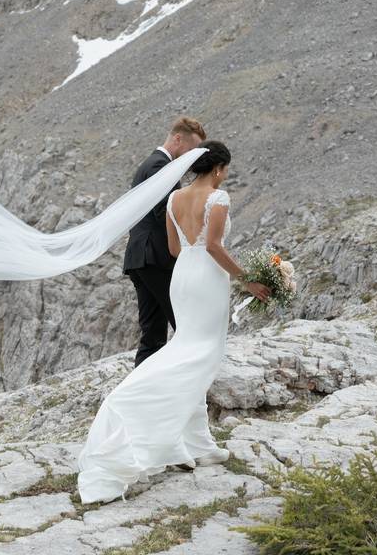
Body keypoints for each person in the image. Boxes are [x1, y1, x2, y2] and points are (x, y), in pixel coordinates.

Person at [77, 140, 271, 504]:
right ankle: (135, 405)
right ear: (218, 169)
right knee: (201, 355)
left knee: (188, 348)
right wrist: (249, 279)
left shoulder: (174, 198)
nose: (226, 175)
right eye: (226, 169)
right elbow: (213, 245)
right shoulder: (220, 197)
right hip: (208, 280)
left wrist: (196, 256)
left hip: (183, 276)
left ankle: (197, 444)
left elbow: (174, 249)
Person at [122, 117, 206, 367]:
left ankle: (140, 392)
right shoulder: (161, 166)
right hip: (155, 256)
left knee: (153, 333)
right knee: (184, 321)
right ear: (178, 139)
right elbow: (166, 214)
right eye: (191, 150)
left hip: (141, 257)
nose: (191, 158)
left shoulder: (150, 163)